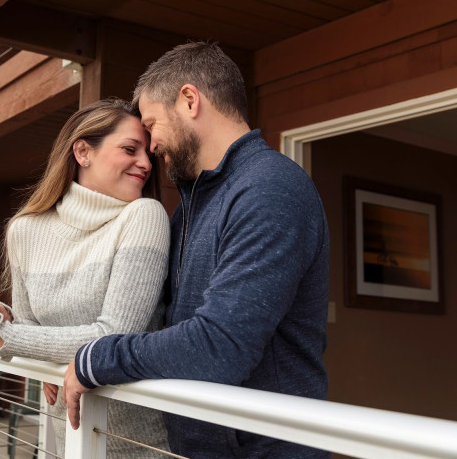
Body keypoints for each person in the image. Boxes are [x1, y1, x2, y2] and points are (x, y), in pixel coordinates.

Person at [63, 42, 331, 459]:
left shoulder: (270, 189)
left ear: (190, 100)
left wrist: (95, 359)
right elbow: (145, 316)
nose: (150, 146)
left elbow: (219, 348)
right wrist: (21, 329)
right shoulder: (190, 207)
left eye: (151, 125)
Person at [0, 99, 172, 458]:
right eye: (130, 149)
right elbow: (33, 328)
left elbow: (113, 336)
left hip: (142, 442)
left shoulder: (144, 216)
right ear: (82, 151)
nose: (145, 163)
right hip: (68, 439)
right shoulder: (24, 230)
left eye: (148, 154)